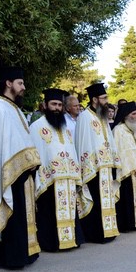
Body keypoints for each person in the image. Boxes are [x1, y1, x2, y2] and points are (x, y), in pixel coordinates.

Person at [0, 67, 41, 268]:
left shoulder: (15, 109)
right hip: (10, 173)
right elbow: (3, 146)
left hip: (22, 173)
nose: (23, 87)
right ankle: (10, 258)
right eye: (20, 83)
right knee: (13, 215)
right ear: (8, 83)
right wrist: (20, 166)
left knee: (21, 216)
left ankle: (24, 254)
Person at [29, 88, 87, 252]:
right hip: (49, 179)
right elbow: (36, 152)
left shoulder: (65, 128)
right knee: (49, 211)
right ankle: (51, 243)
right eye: (53, 104)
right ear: (45, 105)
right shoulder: (36, 127)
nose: (57, 108)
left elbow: (72, 151)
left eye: (60, 105)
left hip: (67, 177)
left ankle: (71, 239)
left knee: (69, 209)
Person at [75, 82, 121, 243]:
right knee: (96, 201)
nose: (107, 100)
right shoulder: (85, 117)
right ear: (94, 99)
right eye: (104, 98)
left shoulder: (102, 116)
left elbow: (109, 141)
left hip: (106, 168)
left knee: (106, 200)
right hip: (92, 169)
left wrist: (114, 162)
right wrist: (87, 167)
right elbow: (82, 144)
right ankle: (96, 234)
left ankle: (108, 231)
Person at [112, 101, 136, 232]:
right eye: (134, 113)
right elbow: (117, 151)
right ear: (126, 115)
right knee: (127, 198)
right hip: (126, 171)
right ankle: (127, 224)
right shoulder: (118, 130)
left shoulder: (133, 129)